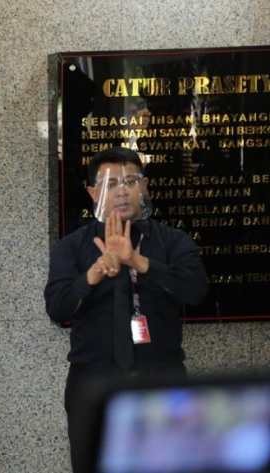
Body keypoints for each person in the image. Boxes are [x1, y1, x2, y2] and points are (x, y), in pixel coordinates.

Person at [44, 146, 209, 473]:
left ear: (144, 187)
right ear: (93, 192)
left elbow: (196, 290)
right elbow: (57, 307)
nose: (122, 191)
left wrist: (138, 261)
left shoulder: (172, 241)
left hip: (162, 383)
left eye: (131, 181)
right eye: (111, 184)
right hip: (93, 384)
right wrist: (92, 275)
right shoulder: (73, 246)